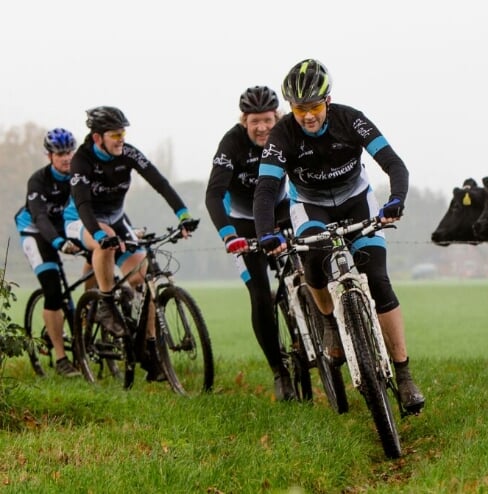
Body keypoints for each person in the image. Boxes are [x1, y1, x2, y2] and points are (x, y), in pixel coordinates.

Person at [253, 59, 425, 413]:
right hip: (310, 207)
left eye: (314, 107)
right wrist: (266, 232)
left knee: (378, 279)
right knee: (314, 260)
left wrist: (396, 200)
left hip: (357, 201)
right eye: (299, 109)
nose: (308, 116)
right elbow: (266, 189)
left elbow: (394, 164)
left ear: (327, 101)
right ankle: (329, 322)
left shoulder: (351, 120)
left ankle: (404, 374)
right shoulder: (282, 135)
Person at [64, 106, 195, 382]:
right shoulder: (82, 160)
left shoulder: (129, 153)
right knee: (106, 242)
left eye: (123, 133)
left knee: (143, 280)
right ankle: (105, 303)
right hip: (81, 219)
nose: (121, 139)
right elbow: (83, 203)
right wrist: (98, 235)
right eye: (115, 135)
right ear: (98, 138)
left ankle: (150, 349)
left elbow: (159, 182)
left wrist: (183, 214)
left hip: (116, 219)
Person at [205, 86, 296, 401]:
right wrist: (229, 234)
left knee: (308, 265)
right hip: (243, 222)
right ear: (244, 120)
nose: (262, 127)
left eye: (267, 120)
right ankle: (279, 371)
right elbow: (213, 195)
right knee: (260, 294)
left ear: (277, 117)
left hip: (280, 211)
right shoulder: (231, 143)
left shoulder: (287, 133)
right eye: (255, 121)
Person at [14, 128, 86, 377]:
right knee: (53, 291)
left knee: (98, 257)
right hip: (35, 230)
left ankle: (89, 314)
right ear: (50, 156)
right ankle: (61, 358)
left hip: (64, 228)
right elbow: (39, 217)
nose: (67, 158)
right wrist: (58, 243)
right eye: (60, 154)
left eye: (69, 152)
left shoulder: (79, 176)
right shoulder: (39, 180)